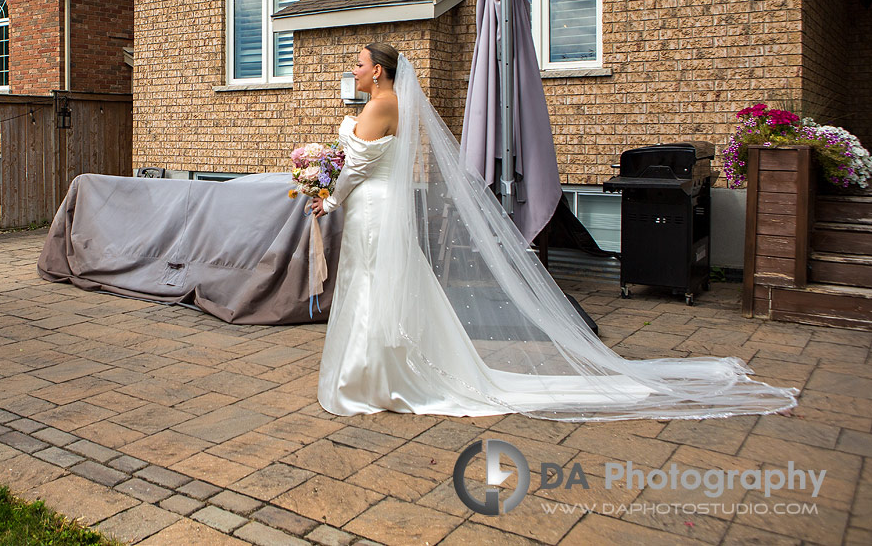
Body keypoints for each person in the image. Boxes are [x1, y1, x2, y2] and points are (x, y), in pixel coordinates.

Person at [309, 43, 798, 420]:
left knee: (372, 281)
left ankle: (370, 378)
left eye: (357, 63)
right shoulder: (381, 104)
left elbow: (354, 169)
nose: (352, 70)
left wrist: (328, 197)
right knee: (378, 281)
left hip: (371, 207)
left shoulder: (379, 106)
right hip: (376, 203)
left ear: (379, 69)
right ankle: (379, 369)